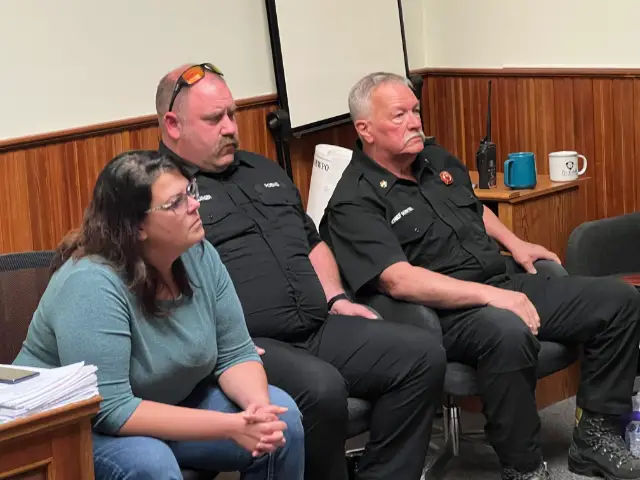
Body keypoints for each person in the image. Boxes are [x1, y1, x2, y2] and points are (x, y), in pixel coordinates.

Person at [320, 72, 640, 480]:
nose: (415, 122)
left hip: (500, 280)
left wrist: (515, 242)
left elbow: (473, 207)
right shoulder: (353, 199)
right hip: (442, 312)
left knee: (618, 301)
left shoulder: (434, 159)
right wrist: (491, 297)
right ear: (365, 129)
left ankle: (594, 437)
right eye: (399, 115)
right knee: (507, 332)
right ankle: (523, 467)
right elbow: (398, 280)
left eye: (415, 111)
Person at [153, 62, 447, 480]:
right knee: (322, 389)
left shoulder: (263, 169)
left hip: (317, 324)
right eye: (214, 119)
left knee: (422, 355)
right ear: (173, 124)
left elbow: (312, 241)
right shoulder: (157, 190)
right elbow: (149, 278)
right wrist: (214, 341)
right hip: (247, 345)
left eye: (233, 114)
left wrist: (336, 297)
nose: (230, 128)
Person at [13, 150, 304, 479]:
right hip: (72, 428)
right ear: (137, 227)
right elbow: (110, 408)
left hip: (168, 401)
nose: (194, 205)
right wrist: (229, 426)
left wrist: (258, 412)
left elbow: (235, 352)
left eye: (190, 191)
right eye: (176, 202)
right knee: (151, 463)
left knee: (282, 423)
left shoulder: (199, 254)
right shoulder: (91, 283)